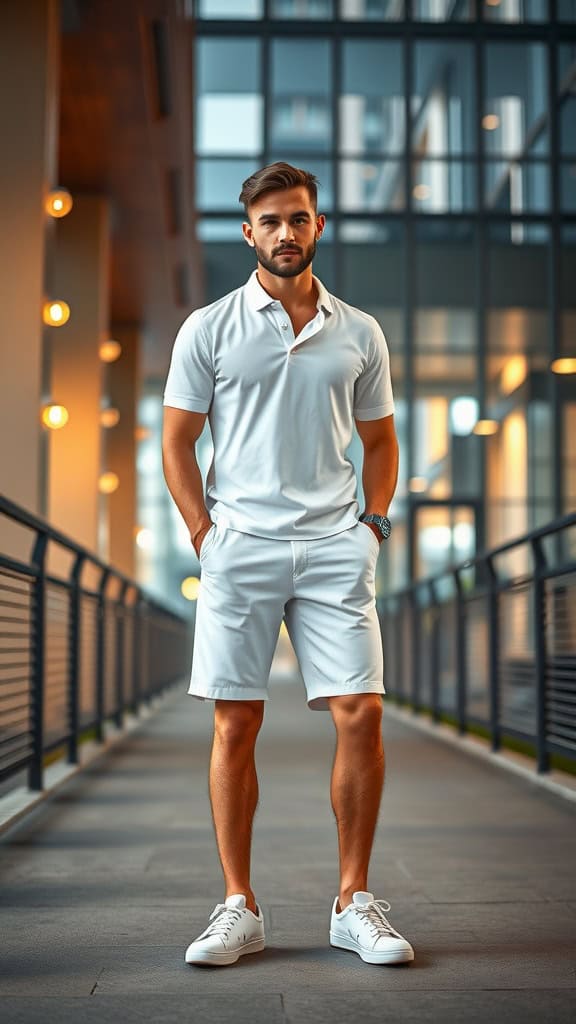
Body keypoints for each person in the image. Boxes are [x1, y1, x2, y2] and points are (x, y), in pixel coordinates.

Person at [161, 162, 414, 968]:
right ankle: (239, 905)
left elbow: (380, 442)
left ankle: (353, 901)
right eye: (269, 221)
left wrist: (372, 525)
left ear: (318, 226)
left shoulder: (360, 332)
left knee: (362, 713)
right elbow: (175, 439)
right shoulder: (208, 327)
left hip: (337, 544)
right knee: (237, 719)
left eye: (297, 218)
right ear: (248, 232)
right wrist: (205, 532)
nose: (284, 233)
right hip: (240, 544)